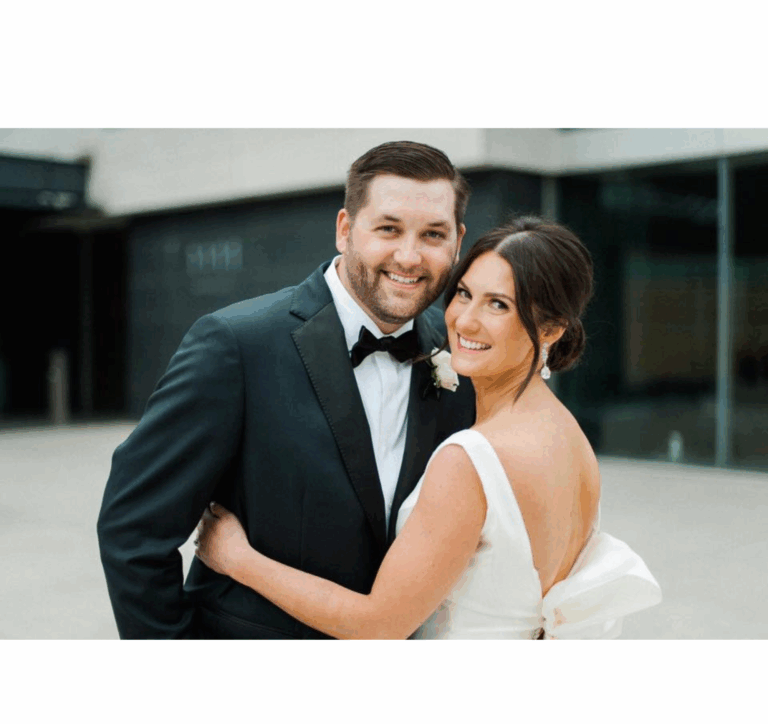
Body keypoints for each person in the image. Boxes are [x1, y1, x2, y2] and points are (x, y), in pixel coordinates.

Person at [195, 216, 662, 639]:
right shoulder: (568, 435)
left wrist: (238, 558)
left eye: (498, 305)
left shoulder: (471, 459)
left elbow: (378, 625)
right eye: (464, 293)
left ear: (551, 329)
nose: (464, 320)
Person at [97, 140, 476, 639]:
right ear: (345, 229)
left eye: (433, 234)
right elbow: (133, 530)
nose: (409, 256)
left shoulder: (463, 357)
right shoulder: (235, 344)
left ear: (457, 241)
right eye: (388, 228)